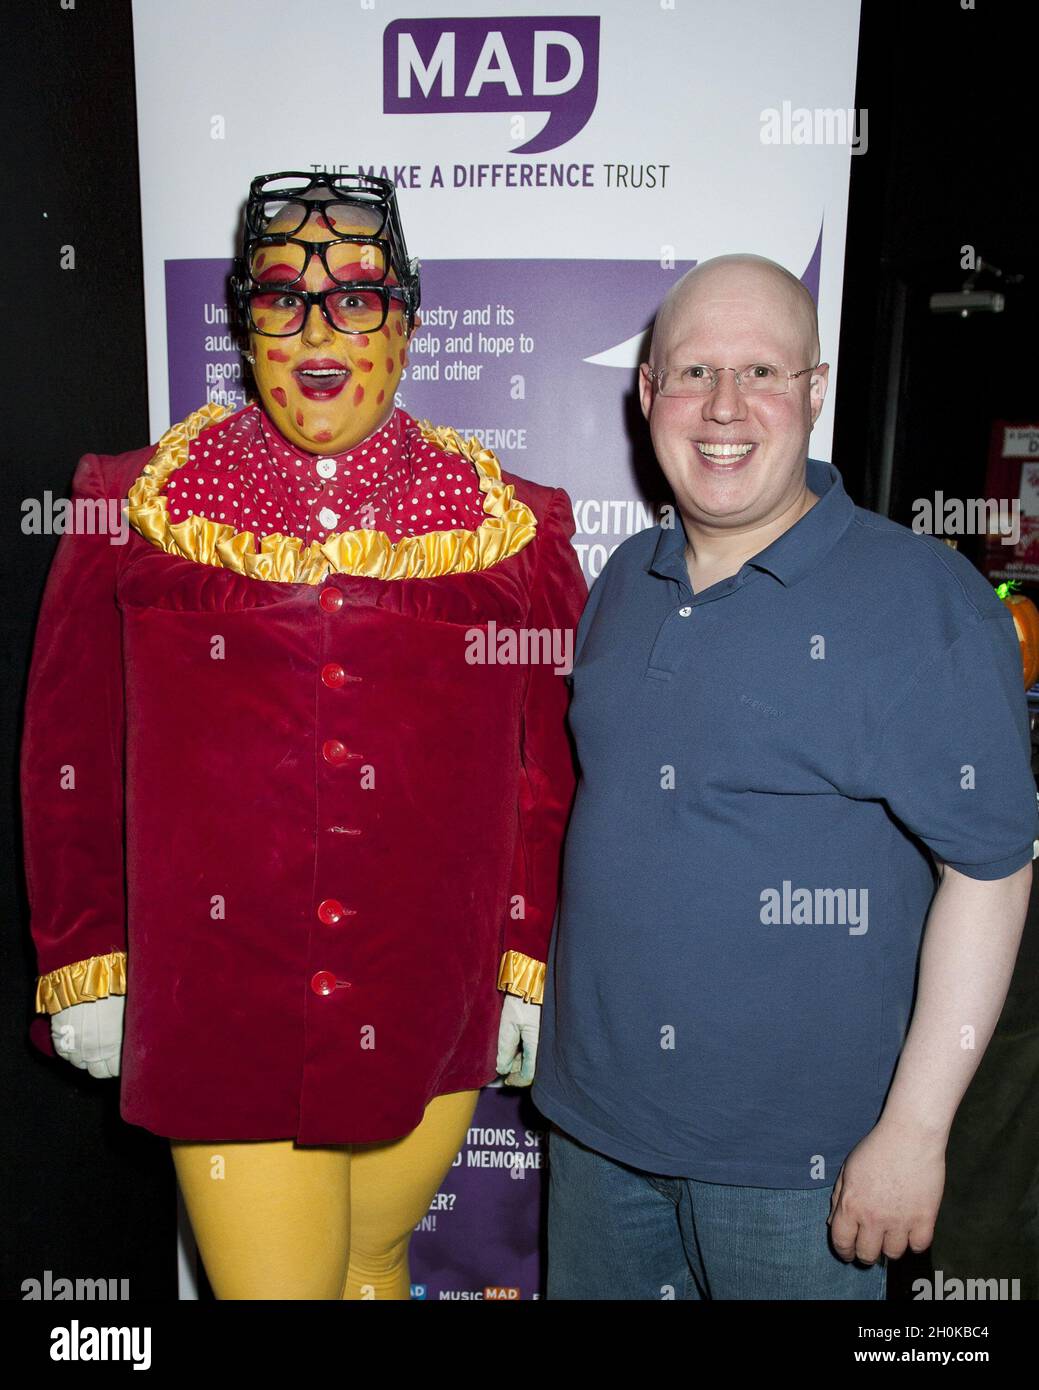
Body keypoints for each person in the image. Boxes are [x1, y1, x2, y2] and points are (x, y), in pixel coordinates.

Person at [21, 170, 586, 1299]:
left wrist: (526, 962)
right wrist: (84, 961)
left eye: (358, 298)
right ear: (243, 317)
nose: (318, 327)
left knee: (377, 1262)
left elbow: (546, 775)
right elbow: (69, 757)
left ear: (409, 319)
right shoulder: (127, 506)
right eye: (283, 296)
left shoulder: (516, 527)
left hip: (429, 996)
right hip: (219, 999)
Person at [532, 253, 1037, 1300]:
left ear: (814, 392)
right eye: (692, 373)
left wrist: (914, 1129)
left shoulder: (925, 604)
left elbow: (992, 873)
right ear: (646, 393)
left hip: (802, 1175)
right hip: (595, 1137)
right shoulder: (626, 577)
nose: (723, 407)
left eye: (762, 372)